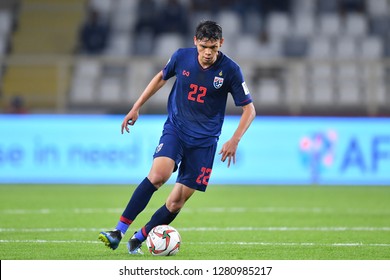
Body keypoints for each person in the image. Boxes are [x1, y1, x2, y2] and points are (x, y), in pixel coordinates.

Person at [98, 20, 256, 254]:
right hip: (177, 129)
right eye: (203, 47)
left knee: (175, 202)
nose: (208, 53)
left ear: (221, 43)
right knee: (158, 175)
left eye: (213, 47)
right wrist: (136, 106)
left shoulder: (230, 70)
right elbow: (161, 77)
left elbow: (249, 110)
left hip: (204, 143)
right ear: (195, 42)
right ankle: (117, 232)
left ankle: (139, 237)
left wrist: (235, 139)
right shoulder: (181, 57)